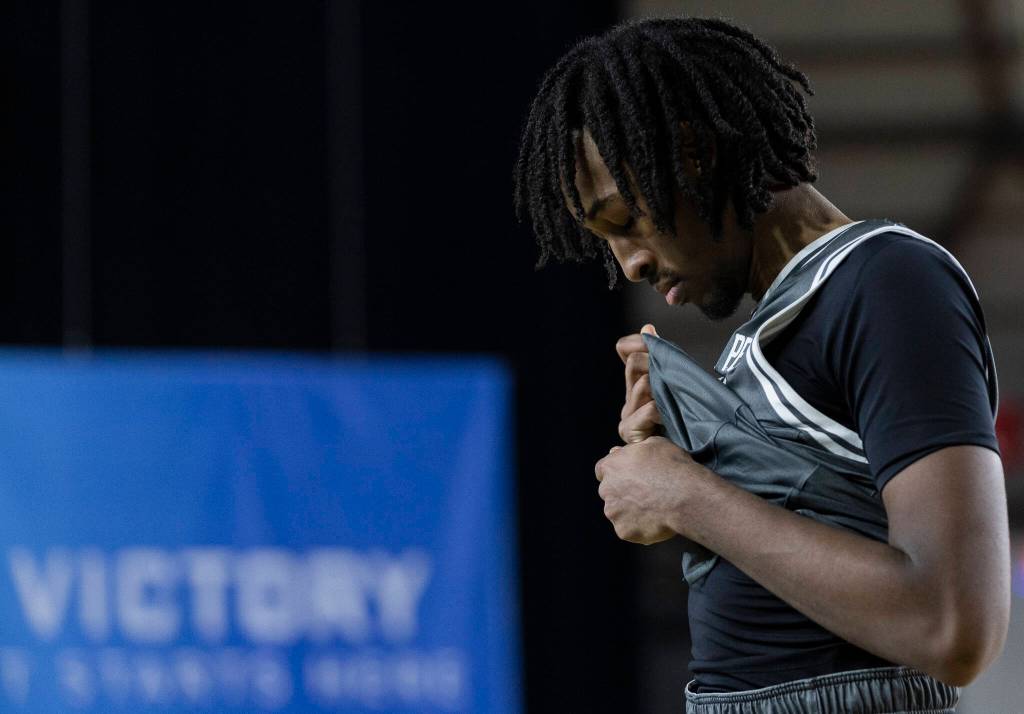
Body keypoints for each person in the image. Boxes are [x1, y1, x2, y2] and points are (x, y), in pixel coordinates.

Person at [512, 17, 1010, 714]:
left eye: (625, 220)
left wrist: (688, 495)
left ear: (691, 153)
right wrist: (679, 467)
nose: (630, 262)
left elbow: (954, 626)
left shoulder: (890, 282)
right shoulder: (777, 324)